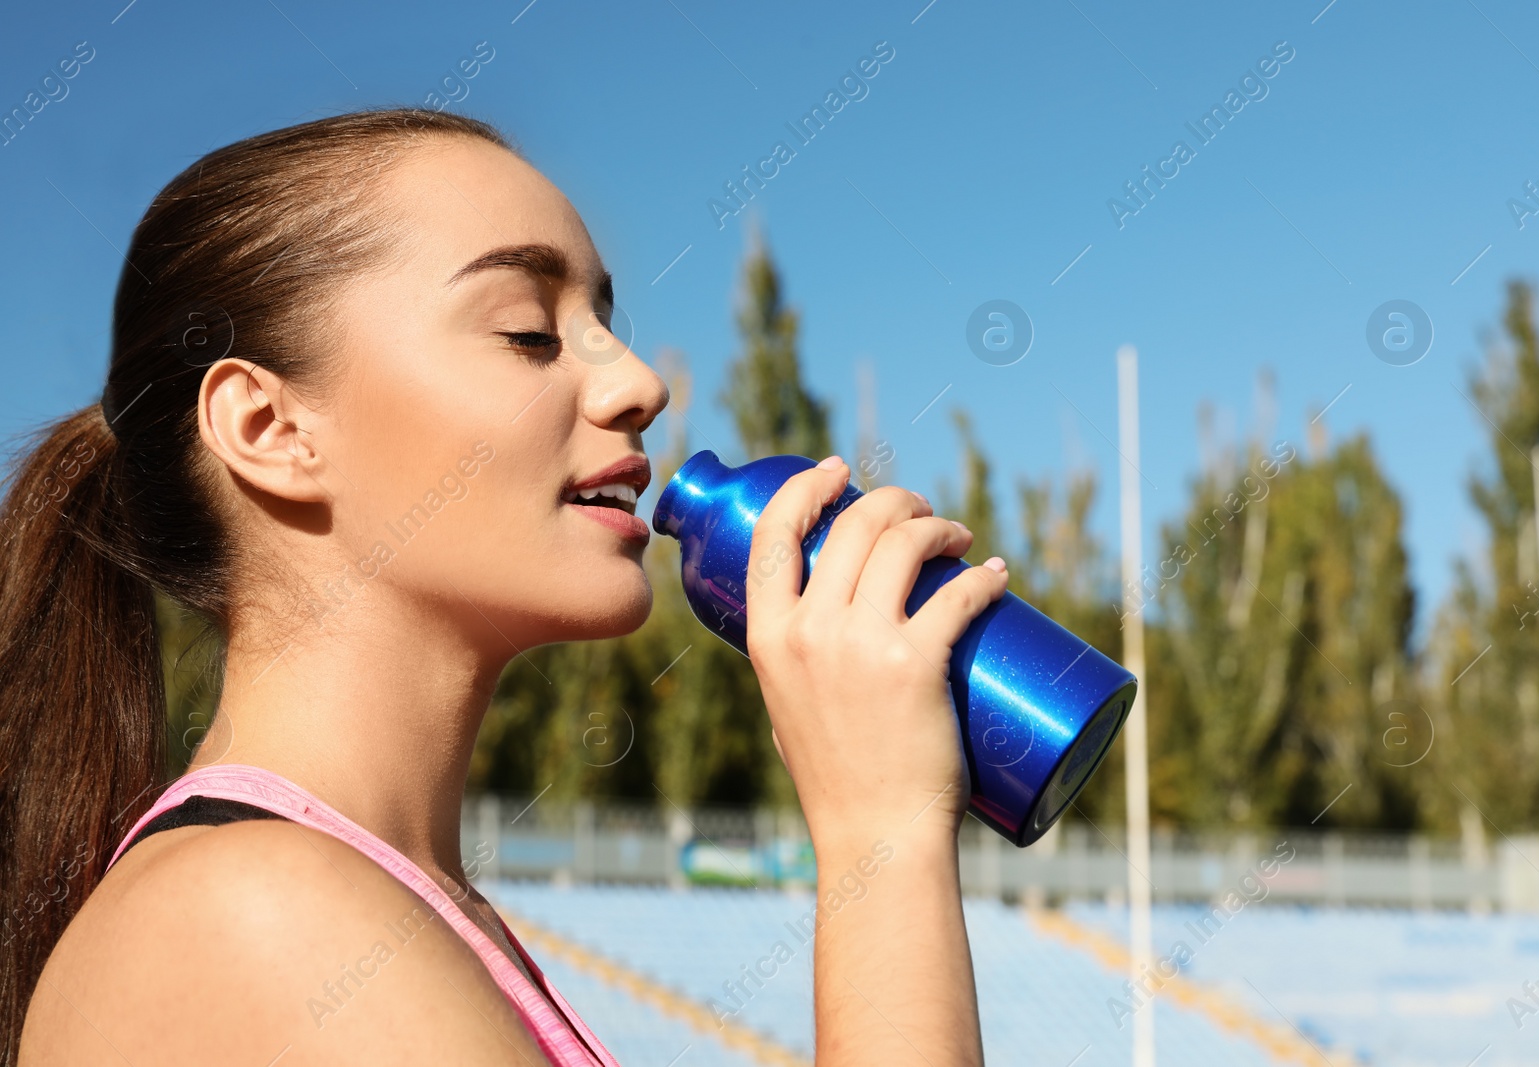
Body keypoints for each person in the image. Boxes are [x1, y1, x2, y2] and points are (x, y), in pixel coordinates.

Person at [2, 108, 1009, 1066]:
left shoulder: (386, 903)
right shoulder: (245, 910)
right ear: (272, 430)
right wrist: (882, 833)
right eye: (529, 330)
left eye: (603, 320)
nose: (639, 384)